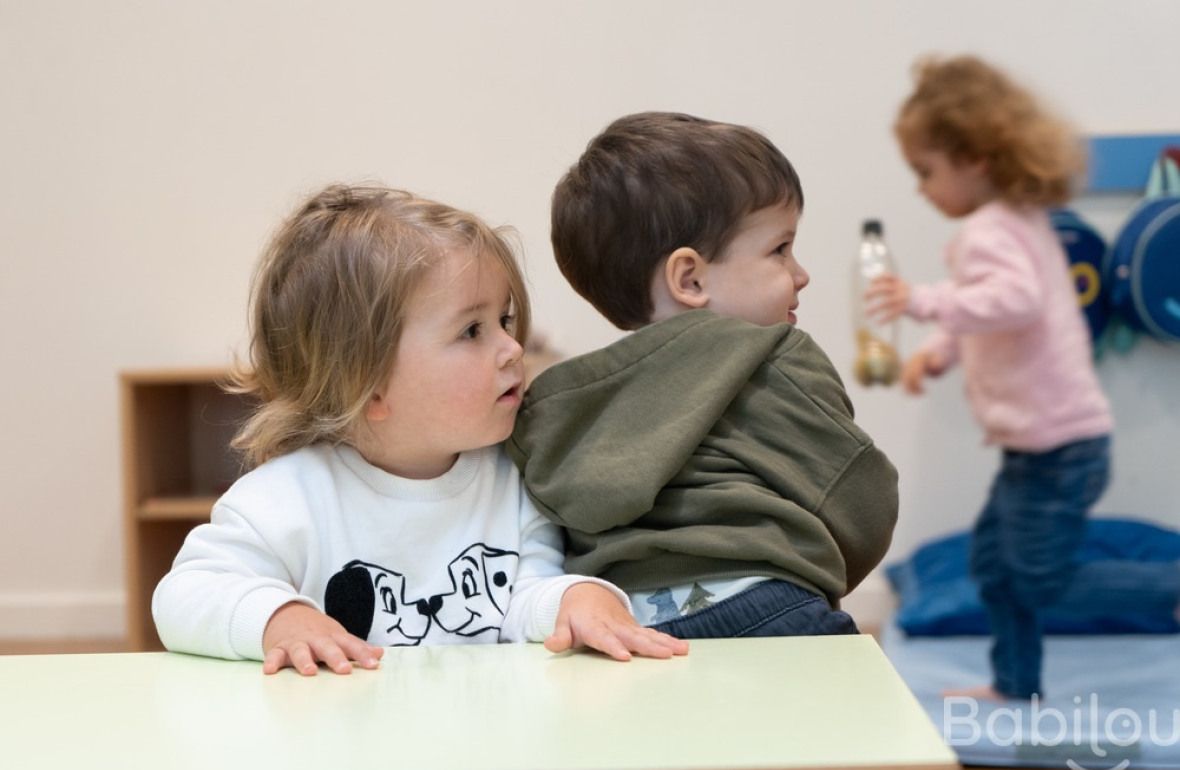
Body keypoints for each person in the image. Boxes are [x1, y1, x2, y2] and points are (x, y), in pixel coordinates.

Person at [152, 184, 689, 676]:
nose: (512, 348)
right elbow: (184, 595)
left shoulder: (514, 479)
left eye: (504, 321)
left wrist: (576, 599)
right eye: (472, 330)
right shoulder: (284, 500)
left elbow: (526, 596)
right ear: (368, 385)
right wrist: (278, 618)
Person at [507, 112, 899, 640]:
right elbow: (862, 501)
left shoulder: (561, 406)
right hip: (768, 604)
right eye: (780, 250)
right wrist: (818, 575)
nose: (801, 274)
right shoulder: (775, 356)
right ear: (689, 278)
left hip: (631, 626)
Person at [864, 54, 1178, 700]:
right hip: (1038, 447)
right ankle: (1014, 681)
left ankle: (1167, 588)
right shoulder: (1016, 221)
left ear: (975, 158)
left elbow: (1015, 301)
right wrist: (941, 350)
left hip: (1059, 447)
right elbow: (994, 313)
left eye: (926, 172)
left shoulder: (991, 231)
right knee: (993, 566)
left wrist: (922, 300)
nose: (922, 189)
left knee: (1040, 580)